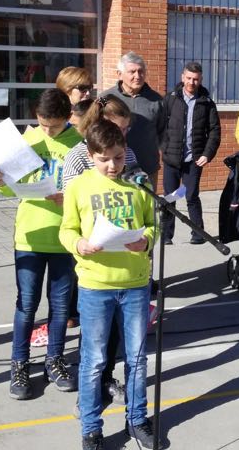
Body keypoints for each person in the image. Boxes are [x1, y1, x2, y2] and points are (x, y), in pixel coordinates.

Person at [59, 120, 156, 450]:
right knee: (95, 360)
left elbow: (152, 225)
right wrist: (79, 244)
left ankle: (137, 419)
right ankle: (90, 428)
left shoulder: (138, 182)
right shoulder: (78, 186)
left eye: (117, 157)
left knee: (138, 357)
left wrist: (146, 241)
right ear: (90, 155)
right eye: (104, 159)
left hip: (135, 283)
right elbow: (67, 230)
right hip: (95, 284)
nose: (113, 165)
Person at [0, 89, 81, 400]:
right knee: (26, 305)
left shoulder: (79, 146)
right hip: (28, 235)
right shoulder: (27, 141)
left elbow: (87, 193)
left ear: (67, 118)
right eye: (41, 124)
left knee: (59, 306)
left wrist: (69, 199)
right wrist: (0, 181)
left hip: (64, 236)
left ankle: (54, 359)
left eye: (52, 126)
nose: (46, 131)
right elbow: (10, 191)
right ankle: (19, 365)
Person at [61, 95, 142, 404]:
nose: (122, 139)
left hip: (124, 258)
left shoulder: (128, 153)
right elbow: (72, 203)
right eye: (118, 130)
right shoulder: (77, 156)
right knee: (94, 334)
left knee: (115, 336)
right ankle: (90, 389)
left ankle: (107, 377)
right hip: (94, 254)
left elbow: (138, 197)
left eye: (125, 131)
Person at [159, 62, 221, 245]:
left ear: (200, 80)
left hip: (193, 160)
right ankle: (166, 235)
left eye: (195, 79)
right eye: (188, 78)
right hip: (171, 159)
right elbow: (160, 126)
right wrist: (164, 147)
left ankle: (198, 233)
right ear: (182, 77)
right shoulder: (170, 99)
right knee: (169, 197)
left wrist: (207, 154)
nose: (192, 82)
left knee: (191, 196)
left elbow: (215, 131)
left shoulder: (207, 103)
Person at [103, 52, 166, 176]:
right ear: (119, 74)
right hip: (113, 169)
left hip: (146, 168)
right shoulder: (105, 98)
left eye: (141, 71)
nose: (137, 76)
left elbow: (163, 131)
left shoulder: (156, 100)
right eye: (132, 72)